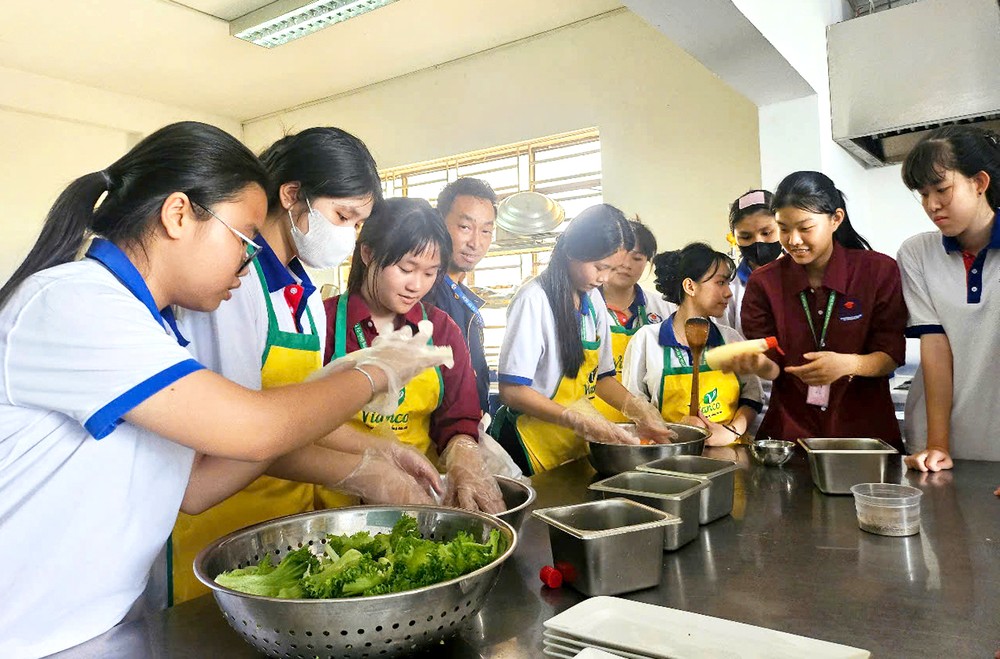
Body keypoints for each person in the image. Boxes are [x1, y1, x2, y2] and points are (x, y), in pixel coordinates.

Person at [0, 122, 451, 659]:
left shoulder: (152, 324)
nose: (248, 257)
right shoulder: (74, 303)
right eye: (242, 237)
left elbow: (199, 481)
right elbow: (254, 429)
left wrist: (373, 450)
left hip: (94, 625)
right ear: (177, 215)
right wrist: (375, 372)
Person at [172, 127, 440, 604]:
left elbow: (303, 418)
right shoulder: (232, 286)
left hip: (283, 529)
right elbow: (239, 434)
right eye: (343, 216)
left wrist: (380, 451)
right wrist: (359, 471)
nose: (349, 234)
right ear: (292, 195)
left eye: (360, 223)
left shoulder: (307, 297)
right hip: (212, 528)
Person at [324, 197, 505, 513]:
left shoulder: (442, 329)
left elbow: (458, 417)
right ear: (367, 253)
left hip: (419, 500)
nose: (416, 286)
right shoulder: (324, 322)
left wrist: (462, 451)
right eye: (406, 269)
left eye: (430, 273)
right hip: (334, 508)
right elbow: (303, 420)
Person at [489, 204, 676, 475]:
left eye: (612, 269)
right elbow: (512, 391)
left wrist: (638, 409)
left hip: (571, 445)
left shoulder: (593, 301)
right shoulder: (534, 299)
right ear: (572, 251)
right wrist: (575, 420)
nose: (604, 278)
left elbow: (602, 378)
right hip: (528, 445)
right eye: (600, 267)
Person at [741, 171, 907, 448]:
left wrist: (850, 364)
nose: (793, 240)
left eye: (805, 228)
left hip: (864, 437)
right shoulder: (764, 283)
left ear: (835, 219)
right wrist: (752, 362)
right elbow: (772, 367)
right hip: (790, 435)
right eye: (783, 228)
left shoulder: (877, 271)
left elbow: (890, 354)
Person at [897, 126, 1000, 470]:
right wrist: (938, 445)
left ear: (979, 182)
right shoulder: (918, 253)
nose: (931, 205)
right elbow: (935, 347)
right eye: (922, 194)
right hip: (936, 440)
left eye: (941, 189)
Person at [622, 243, 772, 446]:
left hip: (729, 454)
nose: (729, 293)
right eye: (720, 283)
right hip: (668, 454)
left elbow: (752, 397)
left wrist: (730, 433)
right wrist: (673, 432)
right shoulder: (646, 340)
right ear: (690, 286)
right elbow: (635, 406)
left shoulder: (730, 339)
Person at [425, 178, 497, 414]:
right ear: (439, 223)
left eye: (486, 231)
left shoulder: (462, 296)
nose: (476, 242)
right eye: (465, 227)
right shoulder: (425, 294)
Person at [594, 218, 676, 422]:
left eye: (637, 258)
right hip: (589, 422)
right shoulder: (583, 308)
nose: (626, 265)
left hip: (646, 424)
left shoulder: (664, 309)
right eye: (618, 254)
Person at [722, 189, 782, 334]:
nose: (758, 241)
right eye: (746, 237)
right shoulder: (729, 287)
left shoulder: (804, 274)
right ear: (734, 238)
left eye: (766, 233)